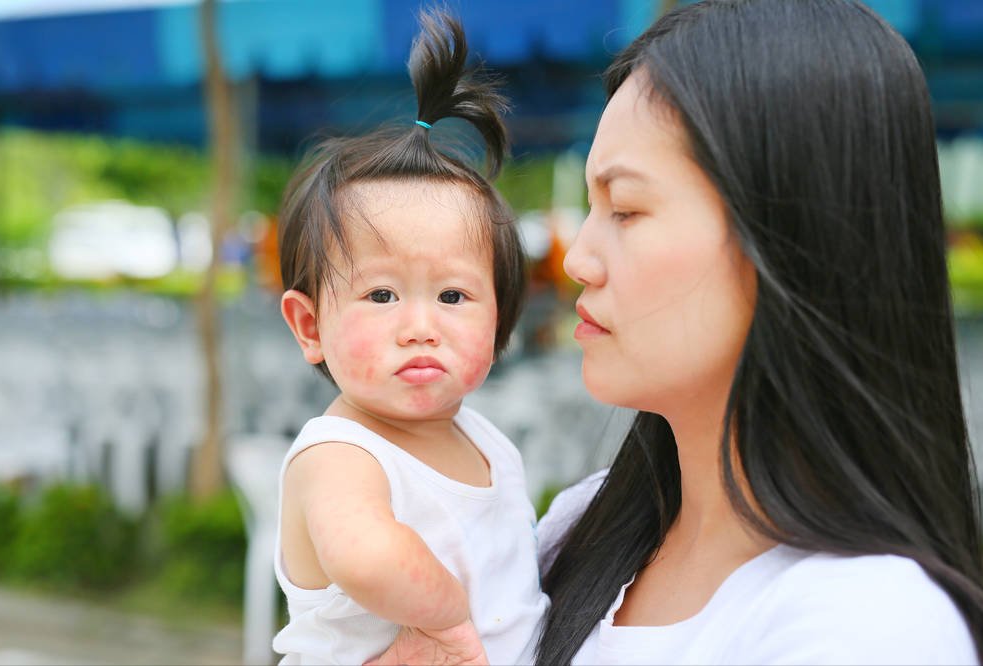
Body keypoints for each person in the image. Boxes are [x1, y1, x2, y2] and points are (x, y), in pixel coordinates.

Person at [372, 0, 983, 663]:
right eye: (591, 206)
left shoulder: (870, 624)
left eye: (626, 209)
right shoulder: (578, 529)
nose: (577, 259)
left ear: (788, 238)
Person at [271, 9, 547, 665]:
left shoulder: (487, 443)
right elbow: (365, 557)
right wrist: (448, 621)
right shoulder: (340, 455)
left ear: (499, 318)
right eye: (381, 295)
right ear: (310, 327)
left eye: (453, 296)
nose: (420, 327)